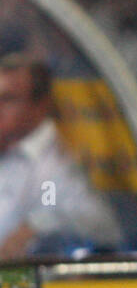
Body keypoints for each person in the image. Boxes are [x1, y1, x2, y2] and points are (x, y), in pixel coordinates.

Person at [0, 53, 121, 257]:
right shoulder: (6, 151)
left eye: (8, 99)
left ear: (40, 106)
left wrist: (35, 226)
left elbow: (99, 223)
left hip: (25, 278)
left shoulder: (58, 163)